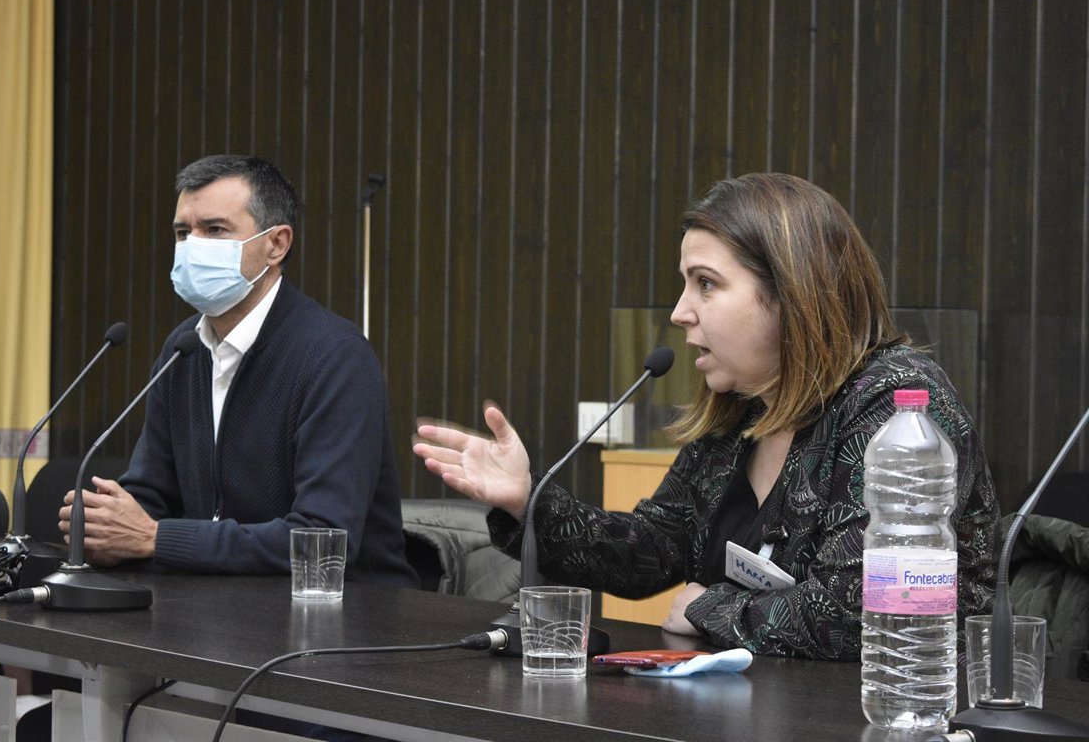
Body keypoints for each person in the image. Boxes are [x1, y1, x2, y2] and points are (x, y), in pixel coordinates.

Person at [413, 172, 999, 660]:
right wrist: (528, 499)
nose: (679, 312)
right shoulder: (742, 412)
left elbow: (865, 612)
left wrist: (707, 607)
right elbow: (650, 551)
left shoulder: (899, 405)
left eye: (707, 285)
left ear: (793, 293)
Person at [59, 154, 418, 589]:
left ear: (276, 244)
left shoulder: (334, 356)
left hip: (348, 611)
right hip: (217, 600)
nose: (192, 247)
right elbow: (151, 494)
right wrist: (107, 525)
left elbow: (322, 538)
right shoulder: (183, 348)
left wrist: (155, 538)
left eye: (214, 230)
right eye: (182, 232)